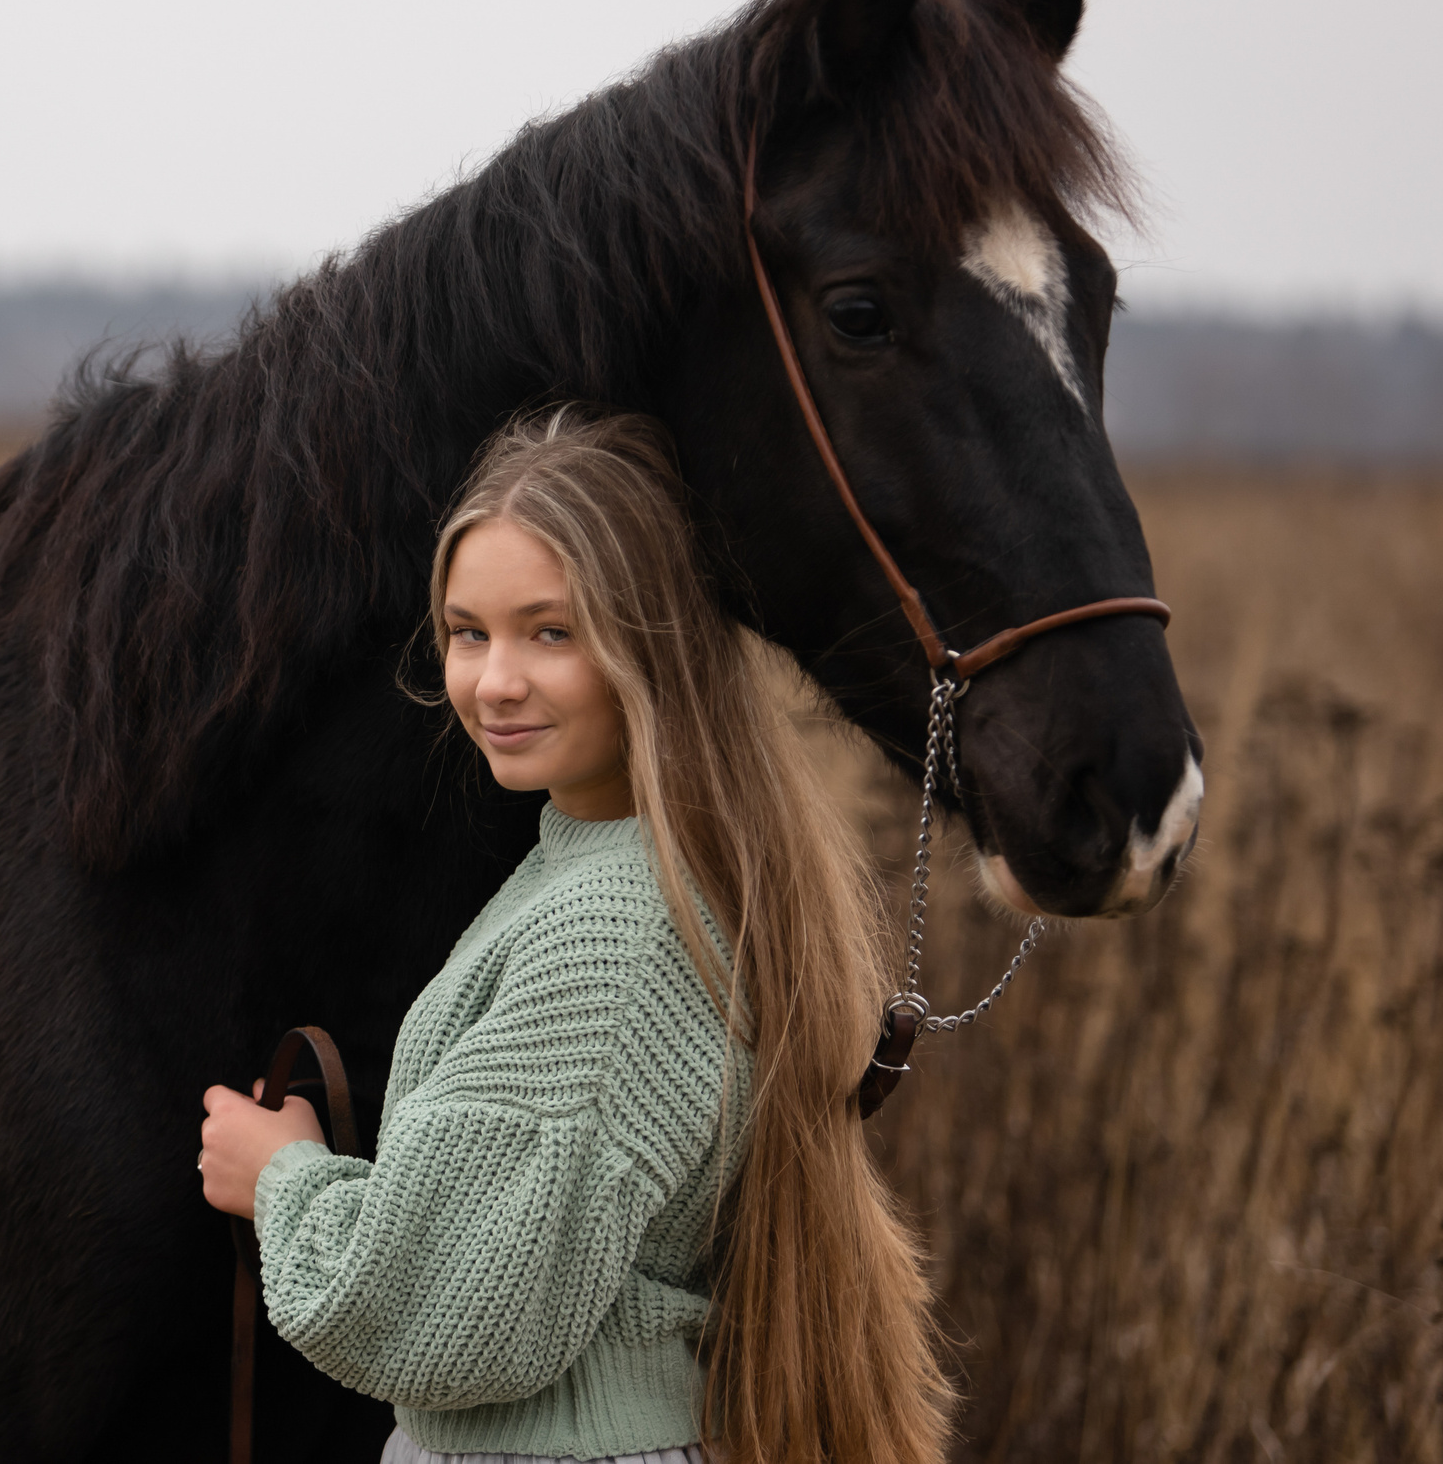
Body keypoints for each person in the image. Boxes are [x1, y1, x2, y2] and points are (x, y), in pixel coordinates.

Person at [198, 408, 951, 1464]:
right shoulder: (625, 865)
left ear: (652, 645)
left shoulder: (611, 932)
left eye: (550, 632)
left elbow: (451, 1315)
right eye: (469, 632)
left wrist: (283, 1178)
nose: (494, 681)